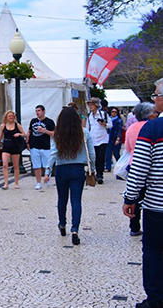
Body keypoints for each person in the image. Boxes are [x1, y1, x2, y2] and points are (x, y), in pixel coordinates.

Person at [123, 78, 163, 308]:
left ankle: (156, 300)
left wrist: (130, 198)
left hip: (157, 204)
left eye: (156, 94)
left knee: (154, 250)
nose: (154, 99)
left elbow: (138, 169)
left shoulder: (153, 128)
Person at [43, 106, 95, 246]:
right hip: (78, 169)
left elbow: (53, 154)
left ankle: (62, 224)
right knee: (76, 200)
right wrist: (93, 169)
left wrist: (47, 171)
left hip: (61, 170)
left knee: (62, 199)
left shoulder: (57, 135)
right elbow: (91, 153)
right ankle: (75, 230)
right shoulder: (84, 133)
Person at [124, 102, 157, 236]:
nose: (156, 114)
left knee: (135, 198)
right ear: (148, 114)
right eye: (154, 112)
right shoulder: (153, 127)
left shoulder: (131, 128)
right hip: (151, 167)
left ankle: (134, 226)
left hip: (134, 165)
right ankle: (150, 227)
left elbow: (127, 147)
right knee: (150, 197)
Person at [26, 105, 55, 190]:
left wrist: (44, 131)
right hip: (34, 146)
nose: (37, 113)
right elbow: (29, 131)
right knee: (36, 165)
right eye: (36, 111)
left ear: (43, 111)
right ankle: (38, 182)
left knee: (47, 165)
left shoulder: (49, 122)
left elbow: (54, 133)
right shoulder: (33, 121)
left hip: (45, 146)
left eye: (39, 111)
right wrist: (27, 142)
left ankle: (47, 179)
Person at [87, 97, 112, 184]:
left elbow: (110, 125)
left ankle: (100, 175)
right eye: (89, 105)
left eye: (92, 104)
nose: (90, 106)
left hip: (102, 139)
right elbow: (88, 127)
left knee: (100, 157)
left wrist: (104, 124)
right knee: (93, 157)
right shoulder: (89, 115)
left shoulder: (103, 114)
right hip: (93, 139)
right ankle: (93, 173)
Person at [0, 110, 26, 189]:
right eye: (9, 116)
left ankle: (16, 183)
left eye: (12, 116)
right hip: (6, 145)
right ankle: (6, 183)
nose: (11, 117)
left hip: (15, 145)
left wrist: (19, 134)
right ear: (6, 117)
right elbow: (0, 136)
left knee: (15, 165)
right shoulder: (3, 126)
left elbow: (24, 134)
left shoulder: (17, 125)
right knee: (5, 165)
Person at [105, 107, 123, 173]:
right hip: (109, 138)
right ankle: (108, 167)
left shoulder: (118, 120)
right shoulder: (108, 119)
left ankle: (120, 166)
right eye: (112, 111)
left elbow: (119, 130)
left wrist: (118, 139)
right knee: (108, 153)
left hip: (115, 138)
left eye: (115, 112)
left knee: (116, 153)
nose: (114, 113)